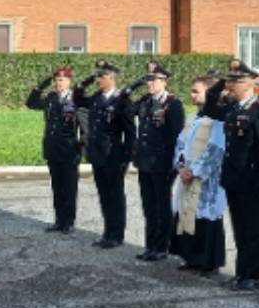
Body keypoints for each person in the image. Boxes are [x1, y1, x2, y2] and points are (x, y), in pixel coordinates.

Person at [202, 59, 259, 292]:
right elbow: (209, 105)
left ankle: (253, 276)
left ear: (248, 83)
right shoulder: (233, 108)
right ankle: (241, 272)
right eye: (231, 81)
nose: (232, 86)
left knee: (253, 229)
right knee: (240, 229)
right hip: (233, 178)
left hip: (252, 180)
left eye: (236, 81)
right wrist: (221, 83)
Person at [74, 60, 136, 250]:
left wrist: (126, 157)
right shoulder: (96, 97)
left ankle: (117, 235)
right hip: (97, 155)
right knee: (104, 195)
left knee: (115, 196)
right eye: (96, 76)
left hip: (113, 155)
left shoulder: (122, 101)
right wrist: (84, 82)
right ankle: (107, 232)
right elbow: (78, 99)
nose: (97, 80)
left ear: (111, 77)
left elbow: (130, 132)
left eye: (101, 76)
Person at [169, 75, 227, 276]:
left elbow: (216, 148)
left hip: (206, 179)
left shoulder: (217, 118)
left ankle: (209, 262)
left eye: (196, 91)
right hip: (186, 174)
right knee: (187, 215)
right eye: (191, 91)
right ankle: (191, 257)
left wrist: (194, 171)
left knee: (206, 219)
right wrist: (180, 166)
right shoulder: (193, 115)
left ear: (209, 93)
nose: (192, 95)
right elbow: (180, 143)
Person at [131, 60, 185, 262]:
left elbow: (177, 136)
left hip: (162, 164)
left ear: (164, 81)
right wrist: (131, 88)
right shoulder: (145, 101)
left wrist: (174, 164)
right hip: (145, 162)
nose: (150, 83)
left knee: (162, 207)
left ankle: (161, 247)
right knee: (149, 206)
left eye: (154, 80)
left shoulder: (173, 104)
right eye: (147, 80)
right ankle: (150, 245)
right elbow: (126, 110)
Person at [26, 65, 82, 233]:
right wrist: (41, 85)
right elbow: (31, 103)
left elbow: (85, 128)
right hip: (52, 149)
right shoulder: (51, 97)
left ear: (69, 81)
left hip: (69, 150)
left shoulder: (76, 99)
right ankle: (59, 220)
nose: (59, 83)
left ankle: (69, 222)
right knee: (57, 187)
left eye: (62, 80)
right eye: (56, 80)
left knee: (69, 188)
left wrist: (80, 148)